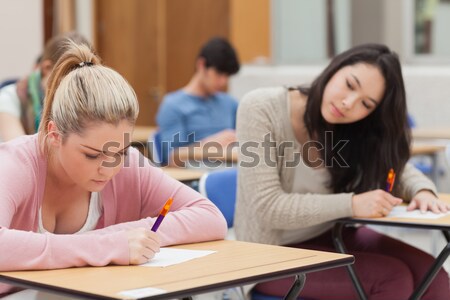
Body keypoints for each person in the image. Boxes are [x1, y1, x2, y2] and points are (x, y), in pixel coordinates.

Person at [0, 40, 227, 297]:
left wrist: (127, 235)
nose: (108, 169)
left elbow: (210, 218)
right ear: (54, 135)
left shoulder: (130, 165)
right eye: (92, 155)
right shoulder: (14, 164)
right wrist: (105, 245)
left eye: (119, 152)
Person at [235, 44, 450, 299]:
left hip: (330, 233)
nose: (349, 104)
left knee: (433, 275)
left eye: (366, 104)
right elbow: (267, 207)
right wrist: (352, 204)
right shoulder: (261, 108)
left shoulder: (350, 126)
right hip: (265, 254)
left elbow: (395, 168)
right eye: (349, 84)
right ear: (335, 68)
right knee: (391, 277)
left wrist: (422, 190)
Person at [156, 37, 240, 166]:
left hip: (231, 169)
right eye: (218, 74)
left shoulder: (229, 103)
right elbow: (173, 159)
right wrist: (210, 145)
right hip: (196, 176)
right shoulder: (173, 105)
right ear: (201, 65)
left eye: (227, 76)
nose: (223, 82)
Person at [0, 31, 89, 142]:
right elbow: (17, 150)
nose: (75, 90)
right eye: (67, 79)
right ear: (47, 68)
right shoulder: (8, 98)